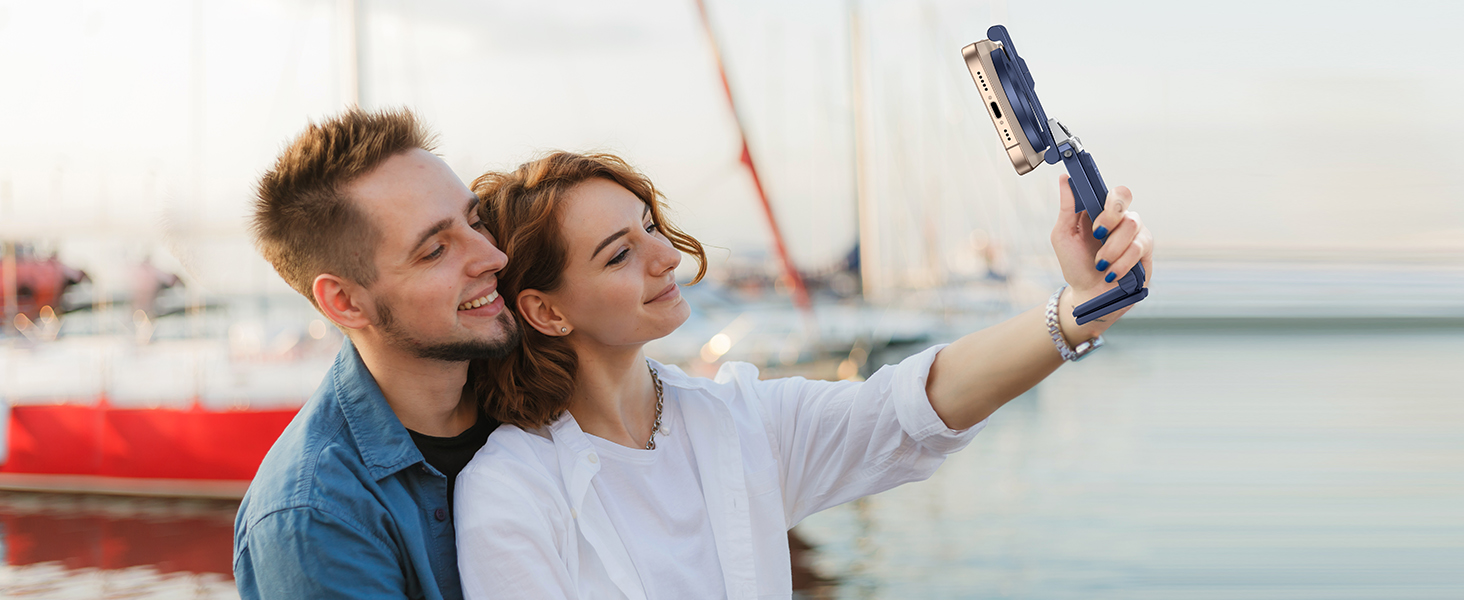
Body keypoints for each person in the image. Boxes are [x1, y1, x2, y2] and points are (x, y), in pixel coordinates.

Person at [453, 152, 1154, 599]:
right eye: (618, 255)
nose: (664, 256)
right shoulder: (511, 490)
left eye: (650, 227)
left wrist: (1076, 313)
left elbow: (913, 407)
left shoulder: (738, 421)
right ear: (545, 311)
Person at [234, 107, 518, 599]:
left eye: (476, 221)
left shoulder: (537, 388)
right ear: (345, 302)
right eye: (435, 251)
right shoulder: (314, 514)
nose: (493, 257)